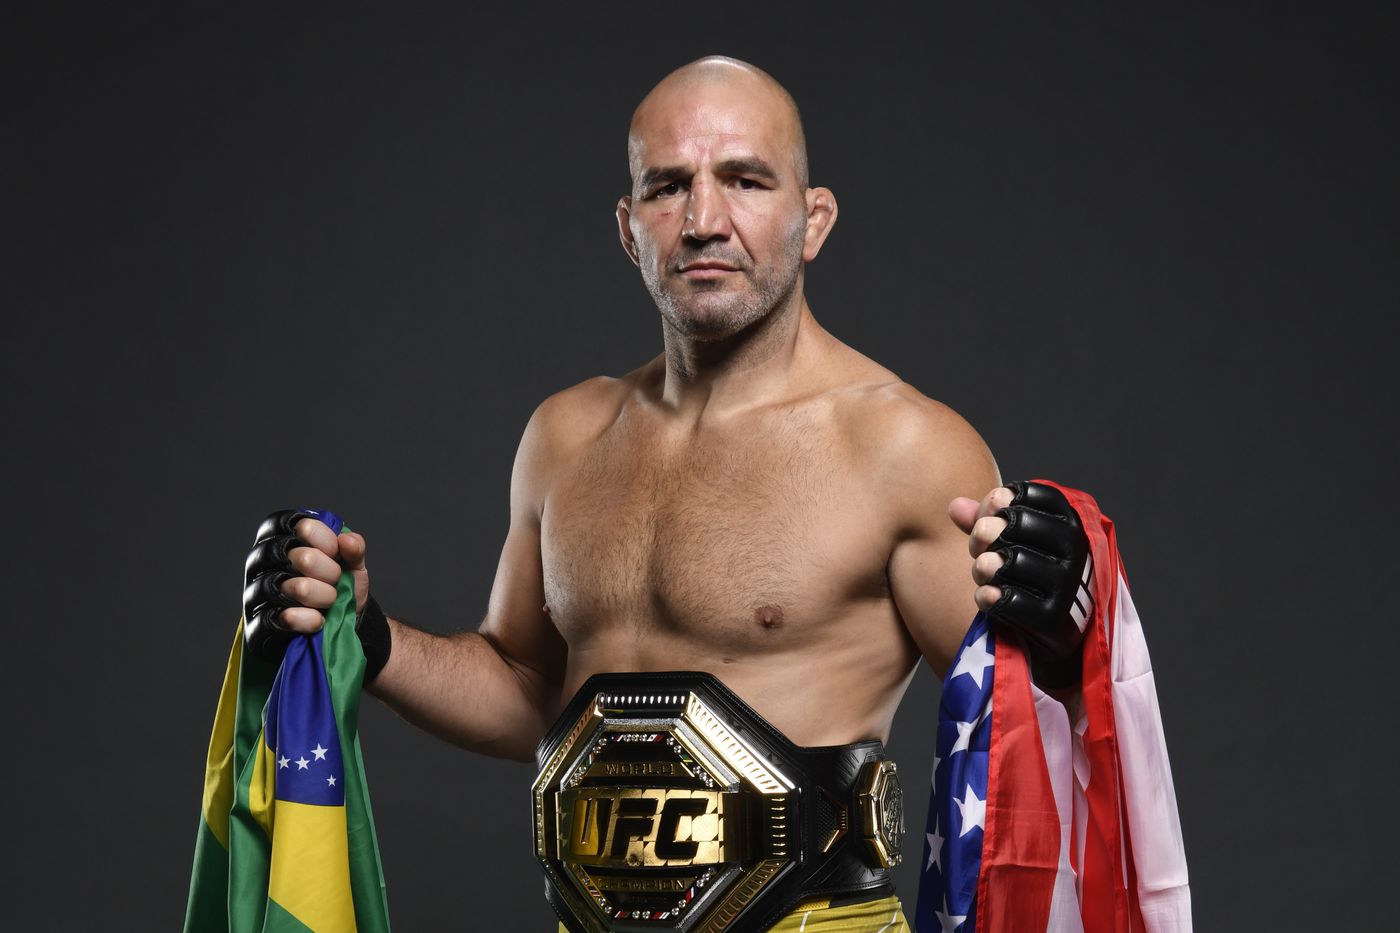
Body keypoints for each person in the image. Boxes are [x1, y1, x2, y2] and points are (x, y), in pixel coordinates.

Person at [242, 56, 1091, 932]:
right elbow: (527, 688)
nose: (704, 221)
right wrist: (363, 633)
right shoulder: (565, 437)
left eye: (746, 180)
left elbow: (1019, 727)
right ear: (627, 225)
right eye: (668, 187)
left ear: (814, 220)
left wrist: (1069, 619)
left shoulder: (903, 446)